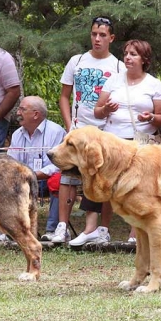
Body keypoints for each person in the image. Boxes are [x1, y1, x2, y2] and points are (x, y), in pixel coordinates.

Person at [53, 16, 122, 245]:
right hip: (78, 128)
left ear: (111, 38)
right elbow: (64, 96)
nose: (97, 39)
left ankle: (102, 228)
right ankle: (62, 227)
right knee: (68, 177)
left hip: (104, 132)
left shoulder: (118, 66)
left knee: (103, 179)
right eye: (94, 34)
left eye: (103, 35)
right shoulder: (78, 61)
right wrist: (68, 124)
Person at [94, 39, 161, 242]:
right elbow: (97, 111)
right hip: (114, 141)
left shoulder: (153, 83)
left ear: (144, 59)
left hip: (139, 143)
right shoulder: (113, 81)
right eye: (126, 53)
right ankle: (103, 230)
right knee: (109, 185)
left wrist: (150, 117)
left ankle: (136, 232)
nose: (127, 57)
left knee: (138, 187)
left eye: (133, 54)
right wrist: (106, 109)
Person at [7, 96, 66, 241]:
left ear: (35, 114)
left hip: (45, 180)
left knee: (58, 182)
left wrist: (35, 174)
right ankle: (10, 231)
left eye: (22, 109)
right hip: (23, 181)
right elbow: (10, 162)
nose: (18, 112)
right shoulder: (17, 134)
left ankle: (52, 231)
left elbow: (60, 164)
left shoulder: (56, 131)